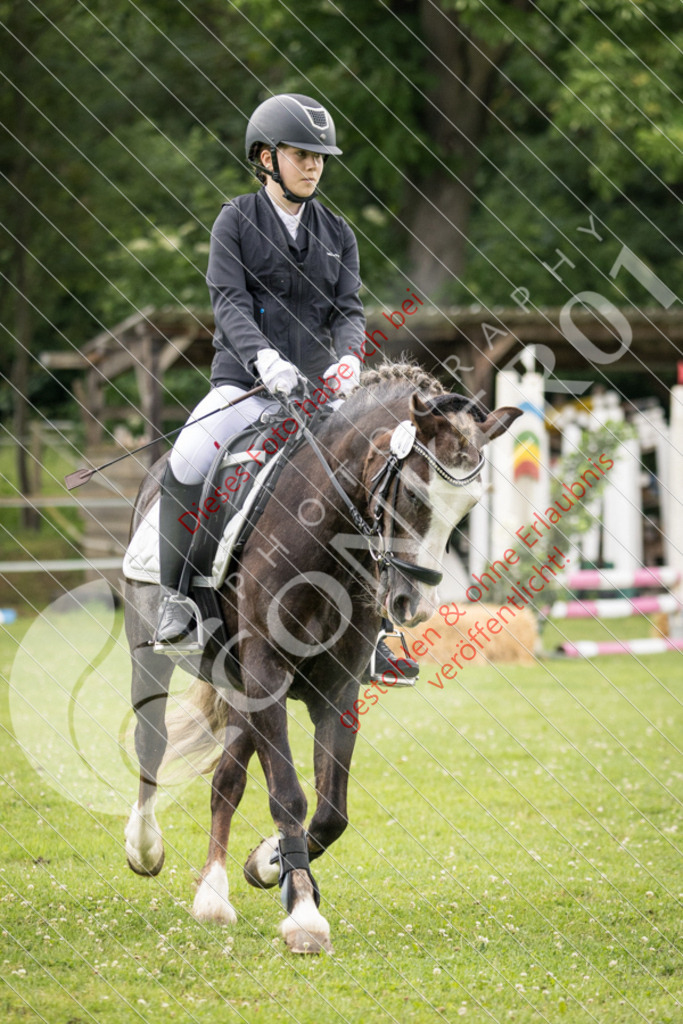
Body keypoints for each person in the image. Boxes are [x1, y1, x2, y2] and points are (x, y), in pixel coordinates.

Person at [155, 92, 418, 682]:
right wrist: (264, 359)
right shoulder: (236, 221)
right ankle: (178, 599)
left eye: (321, 157)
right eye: (302, 155)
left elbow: (348, 309)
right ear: (266, 158)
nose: (314, 166)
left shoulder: (338, 232)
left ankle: (373, 630)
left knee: (373, 478)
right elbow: (229, 302)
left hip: (320, 396)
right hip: (244, 386)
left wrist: (350, 358)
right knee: (189, 457)